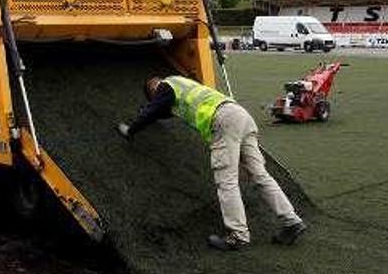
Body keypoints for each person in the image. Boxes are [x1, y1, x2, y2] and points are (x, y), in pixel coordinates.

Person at [117, 75, 306, 251]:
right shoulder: (182, 84)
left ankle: (238, 236)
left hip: (223, 122)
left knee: (226, 181)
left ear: (153, 88)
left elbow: (154, 109)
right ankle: (291, 221)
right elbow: (162, 110)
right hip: (241, 116)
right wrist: (150, 112)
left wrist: (131, 129)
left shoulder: (165, 87)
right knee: (260, 175)